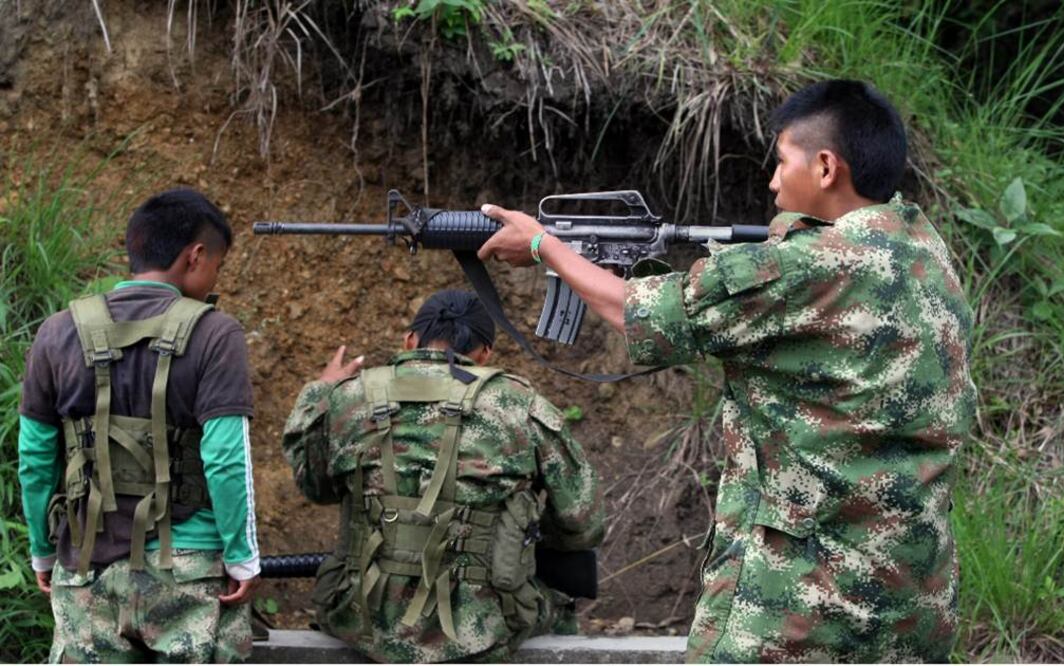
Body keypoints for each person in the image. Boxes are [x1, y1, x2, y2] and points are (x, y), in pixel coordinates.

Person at [477, 79, 977, 662]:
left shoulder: (803, 271)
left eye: (781, 161)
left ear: (824, 167)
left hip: (803, 611)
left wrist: (544, 246)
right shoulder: (924, 251)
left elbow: (637, 311)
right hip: (914, 604)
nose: (771, 181)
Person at [281, 289, 603, 663]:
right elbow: (583, 521)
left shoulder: (346, 398)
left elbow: (314, 487)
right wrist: (527, 536)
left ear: (410, 341)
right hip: (480, 627)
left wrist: (319, 392)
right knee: (558, 606)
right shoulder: (518, 405)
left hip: (362, 620)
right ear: (485, 355)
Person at [18, 188, 260, 663]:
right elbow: (228, 456)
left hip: (85, 567)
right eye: (217, 265)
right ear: (196, 256)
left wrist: (42, 551)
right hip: (187, 567)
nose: (214, 277)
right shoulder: (216, 332)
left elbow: (35, 457)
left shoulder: (56, 331)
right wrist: (241, 556)